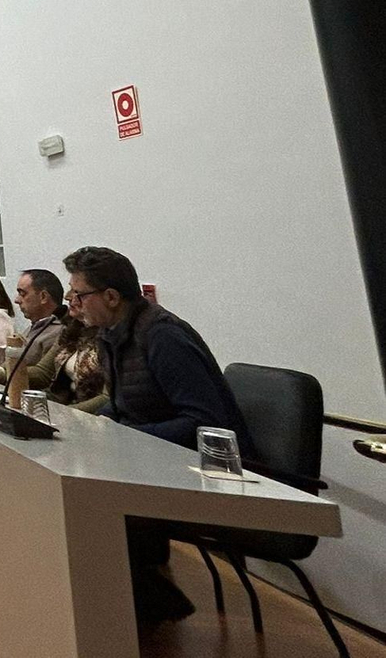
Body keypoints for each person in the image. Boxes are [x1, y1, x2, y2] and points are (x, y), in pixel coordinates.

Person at [65, 245, 252, 625]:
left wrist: (126, 434)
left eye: (79, 295)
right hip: (151, 462)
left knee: (86, 500)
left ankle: (145, 603)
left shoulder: (163, 336)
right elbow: (120, 408)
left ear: (112, 297)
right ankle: (131, 602)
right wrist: (91, 424)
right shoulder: (111, 334)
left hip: (203, 473)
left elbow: (207, 423)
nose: (75, 304)